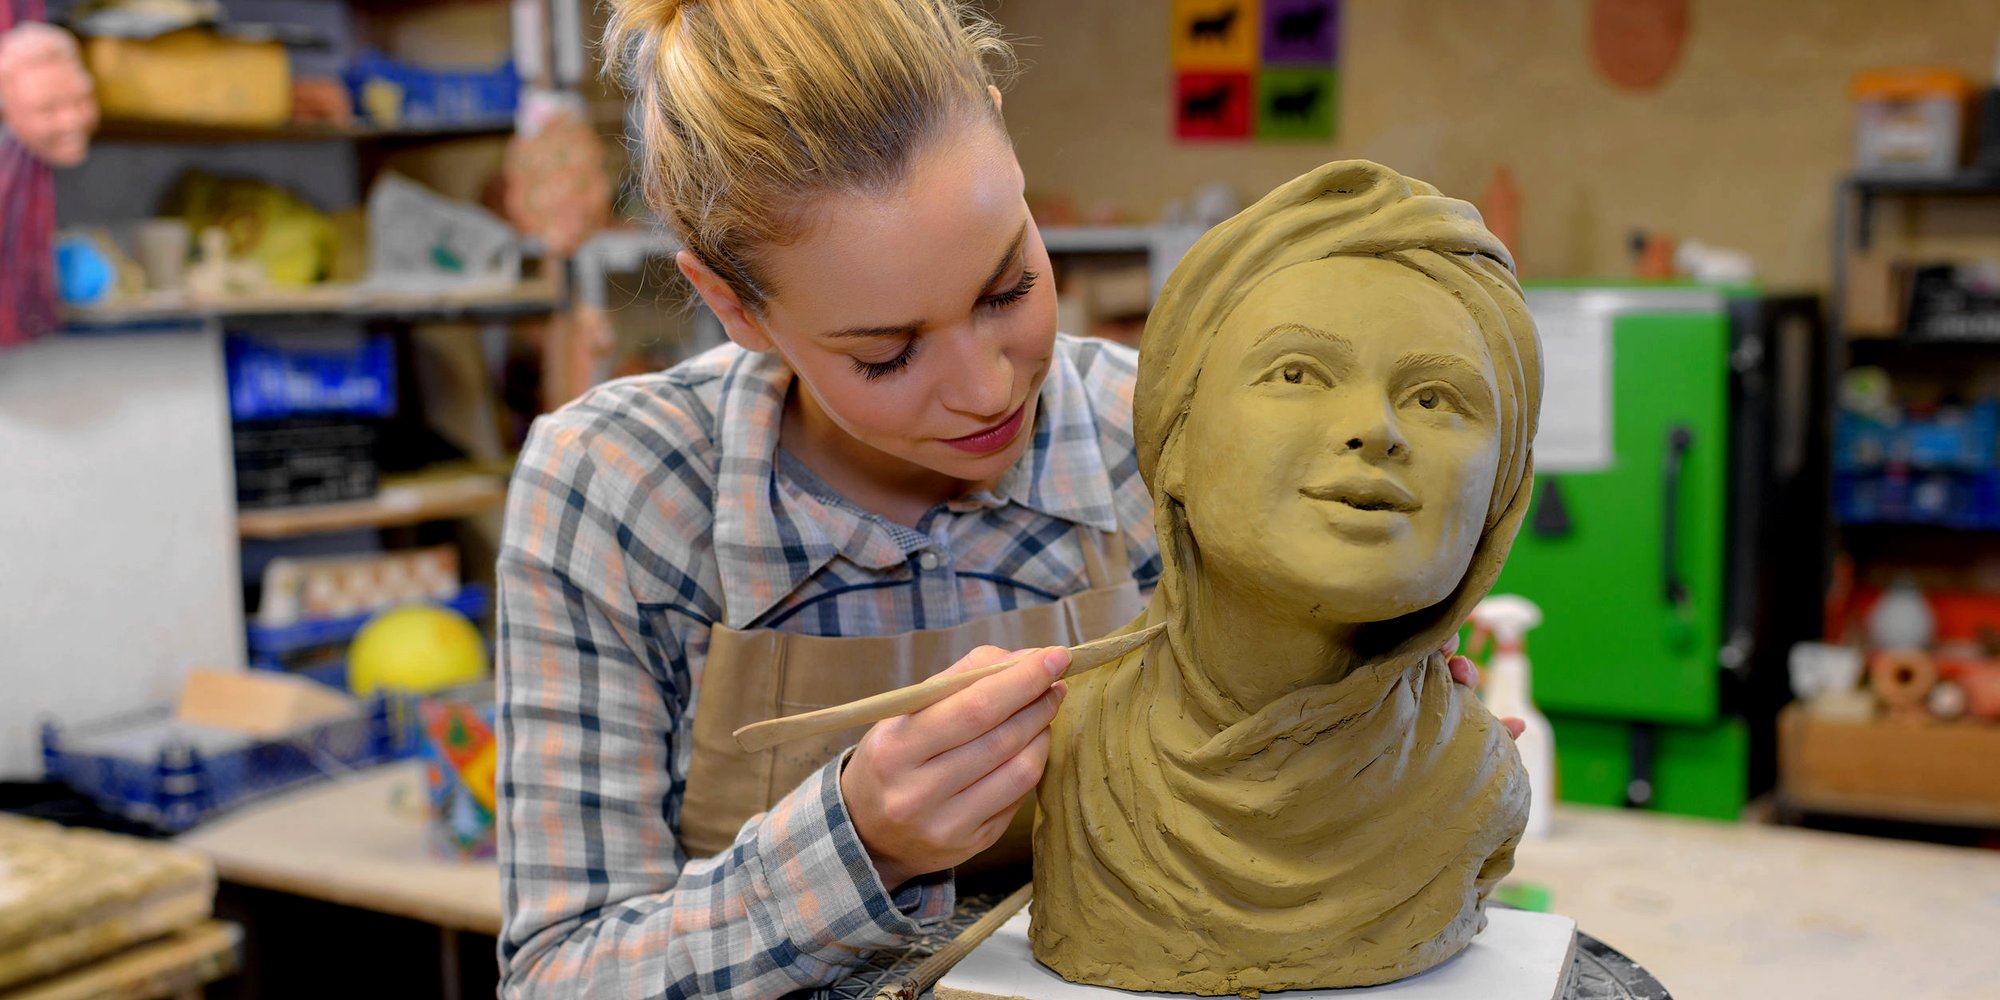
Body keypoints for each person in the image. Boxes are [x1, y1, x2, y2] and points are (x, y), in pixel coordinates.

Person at [495, 4, 1514, 997]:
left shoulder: (1171, 439)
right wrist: (857, 844)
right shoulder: (618, 489)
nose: (988, 389)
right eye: (886, 354)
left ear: (1004, 141)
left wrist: (1373, 725)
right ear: (731, 305)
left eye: (1008, 288)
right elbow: (557, 976)